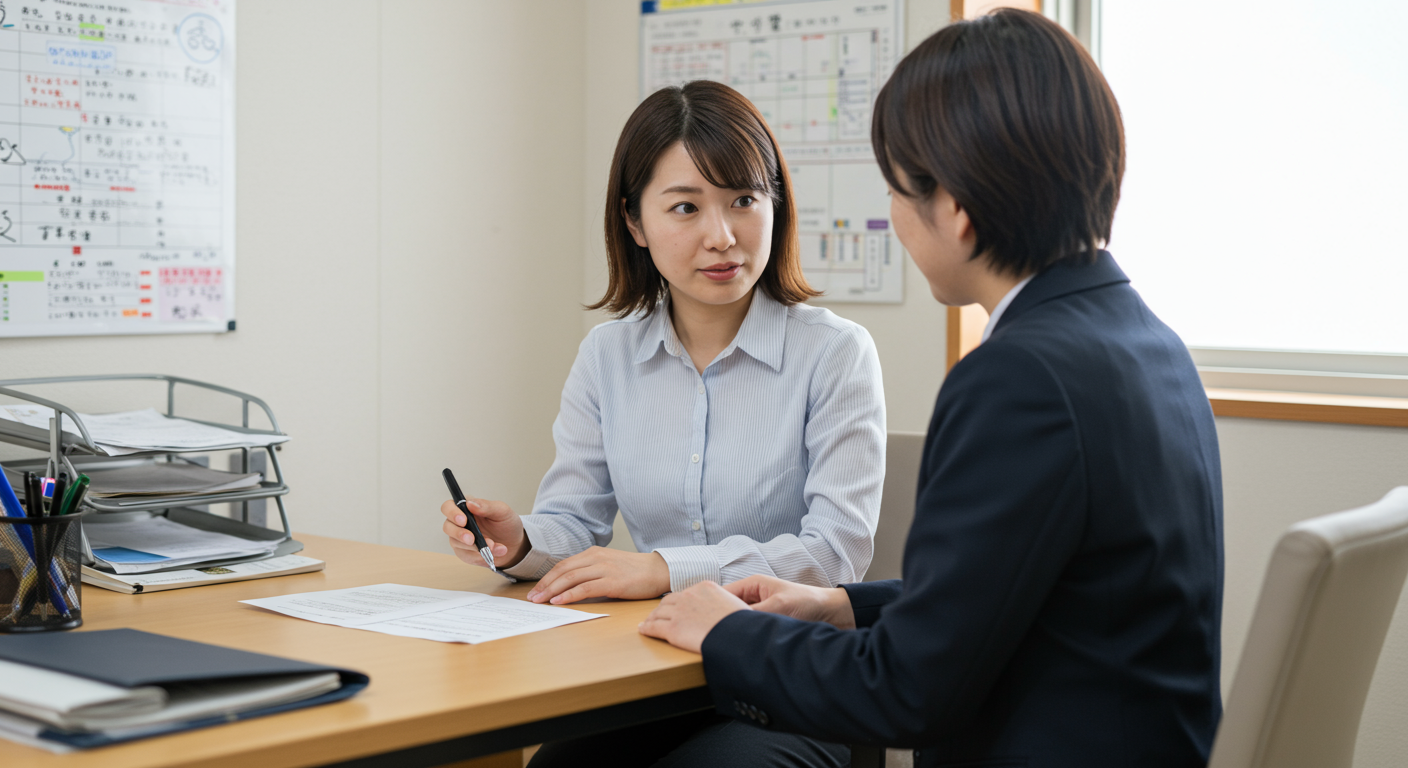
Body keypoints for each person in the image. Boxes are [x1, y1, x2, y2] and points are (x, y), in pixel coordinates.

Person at [639, 10, 1225, 768]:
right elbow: (1026, 590)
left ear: (953, 209)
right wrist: (845, 605)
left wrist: (727, 631)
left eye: (896, 189)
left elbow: (906, 692)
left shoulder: (1020, 379)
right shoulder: (1145, 343)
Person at [441, 79, 885, 767]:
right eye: (686, 207)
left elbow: (833, 556)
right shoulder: (608, 355)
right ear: (636, 223)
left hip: (791, 678)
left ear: (776, 204)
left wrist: (663, 570)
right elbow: (576, 527)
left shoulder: (834, 353)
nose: (722, 235)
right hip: (647, 674)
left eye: (744, 200)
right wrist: (522, 541)